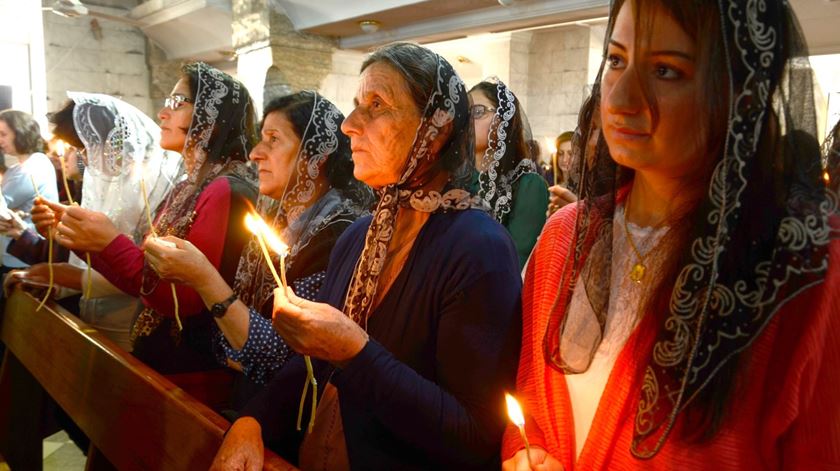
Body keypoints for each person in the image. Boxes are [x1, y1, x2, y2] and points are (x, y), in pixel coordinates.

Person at [502, 0, 840, 469]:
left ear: (738, 93)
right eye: (616, 60)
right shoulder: (566, 236)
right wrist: (526, 451)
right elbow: (531, 406)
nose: (619, 99)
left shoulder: (804, 272)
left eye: (665, 70)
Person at [211, 42, 522, 470]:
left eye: (377, 105)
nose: (350, 125)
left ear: (437, 127)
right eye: (356, 104)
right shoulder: (361, 235)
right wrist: (254, 420)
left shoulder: (478, 248)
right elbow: (316, 362)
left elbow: (473, 434)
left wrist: (356, 351)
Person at [141, 91, 373, 406]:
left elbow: (281, 353)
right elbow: (229, 338)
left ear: (314, 155)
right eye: (261, 138)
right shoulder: (274, 219)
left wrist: (204, 278)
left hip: (294, 411)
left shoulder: (339, 235)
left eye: (273, 140)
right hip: (250, 397)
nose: (256, 154)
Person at [42, 63, 258, 392]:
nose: (162, 113)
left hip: (191, 367)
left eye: (176, 102)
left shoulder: (224, 188)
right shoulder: (189, 185)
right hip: (160, 353)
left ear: (210, 117)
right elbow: (141, 279)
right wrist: (76, 235)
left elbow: (181, 299)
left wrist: (110, 241)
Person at [4, 93, 183, 350]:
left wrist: (73, 278)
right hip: (90, 321)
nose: (83, 158)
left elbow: (152, 278)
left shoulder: (161, 189)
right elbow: (88, 260)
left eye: (86, 147)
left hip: (135, 330)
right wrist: (55, 280)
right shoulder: (101, 184)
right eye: (79, 149)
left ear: (113, 143)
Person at [470, 79, 549, 269]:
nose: (467, 120)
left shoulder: (528, 185)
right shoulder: (452, 178)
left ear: (503, 120)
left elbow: (517, 261)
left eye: (477, 111)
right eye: (464, 112)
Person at [0, 110, 59, 278]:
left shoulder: (33, 167)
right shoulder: (18, 168)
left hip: (26, 255)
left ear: (21, 132)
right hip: (16, 251)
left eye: (3, 134)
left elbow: (2, 208)